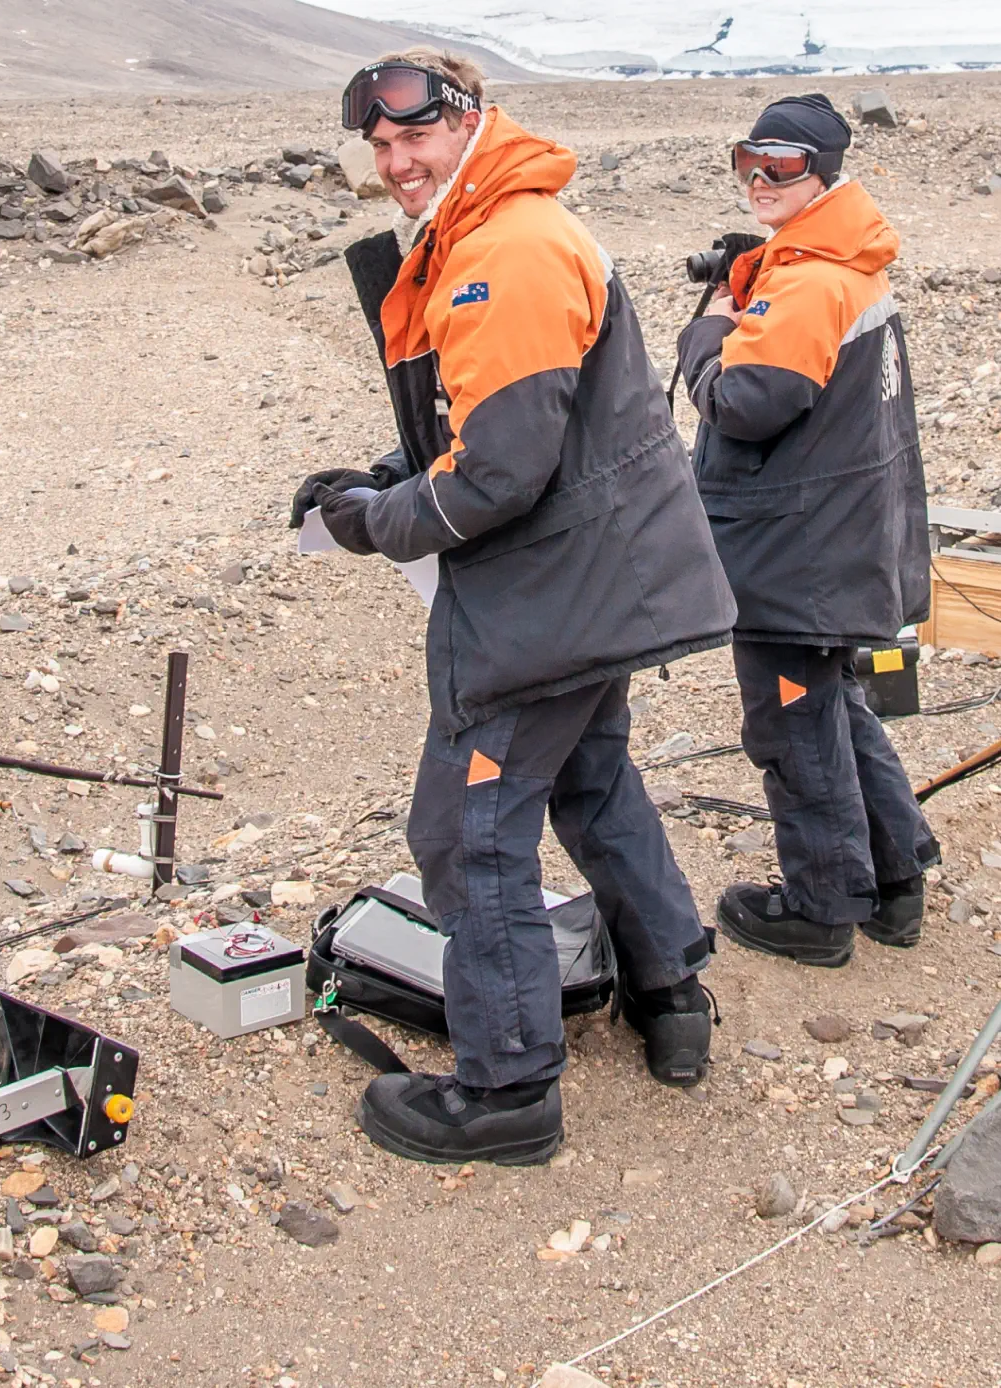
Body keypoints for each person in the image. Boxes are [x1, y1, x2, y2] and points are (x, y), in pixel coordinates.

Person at [289, 50, 737, 1165]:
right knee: (590, 781)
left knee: (467, 830)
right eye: (382, 146)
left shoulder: (507, 248)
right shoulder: (500, 226)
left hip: (549, 596)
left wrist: (370, 522)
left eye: (415, 139)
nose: (396, 162)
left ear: (472, 121)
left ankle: (507, 1087)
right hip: (596, 579)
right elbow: (504, 427)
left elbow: (500, 473)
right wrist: (388, 481)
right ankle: (667, 986)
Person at [675, 93, 939, 970]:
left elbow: (747, 402)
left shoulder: (813, 277)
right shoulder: (848, 264)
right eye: (747, 160)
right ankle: (895, 878)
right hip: (837, 533)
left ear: (823, 170)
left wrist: (708, 330)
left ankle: (821, 907)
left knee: (792, 723)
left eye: (781, 164)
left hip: (796, 548)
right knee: (832, 706)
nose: (759, 180)